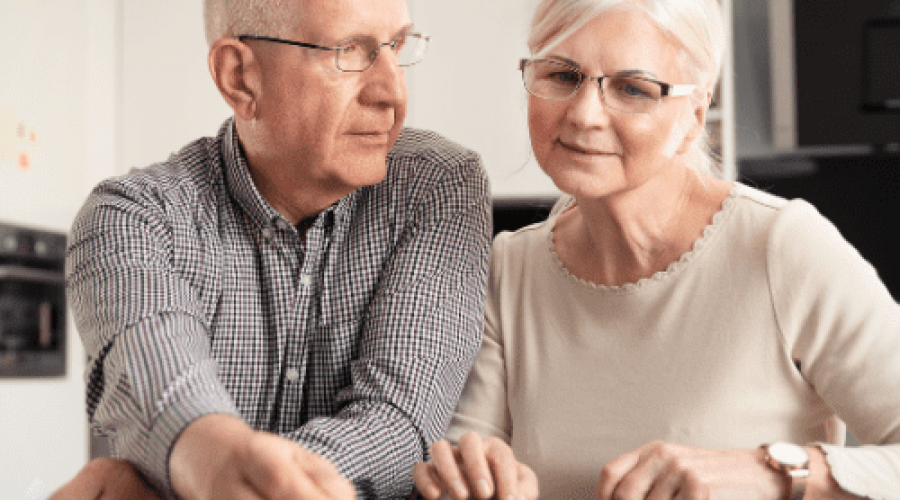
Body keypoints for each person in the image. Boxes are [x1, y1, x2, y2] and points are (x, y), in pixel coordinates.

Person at [413, 0, 900, 498]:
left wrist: (772, 473)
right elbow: (466, 458)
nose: (583, 115)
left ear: (693, 115)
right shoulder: (508, 268)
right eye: (562, 76)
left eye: (632, 88)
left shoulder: (780, 246)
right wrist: (465, 478)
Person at [61, 0, 492, 498]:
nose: (394, 93)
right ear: (240, 78)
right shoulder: (133, 217)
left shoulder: (438, 185)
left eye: (396, 46)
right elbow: (172, 401)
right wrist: (205, 457)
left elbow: (398, 429)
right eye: (349, 51)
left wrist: (189, 479)